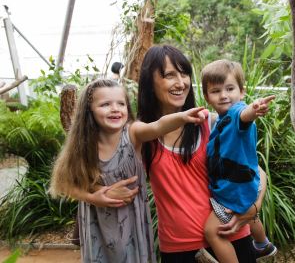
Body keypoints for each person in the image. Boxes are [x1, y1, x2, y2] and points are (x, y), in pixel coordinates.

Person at [49, 78, 206, 262]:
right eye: (105, 104)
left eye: (121, 104)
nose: (115, 108)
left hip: (131, 224)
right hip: (97, 225)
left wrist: (182, 117)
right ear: (89, 109)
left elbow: (157, 126)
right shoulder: (83, 144)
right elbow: (64, 184)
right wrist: (93, 197)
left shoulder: (132, 132)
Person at [137, 44, 266, 263]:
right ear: (150, 82)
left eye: (184, 73)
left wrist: (253, 208)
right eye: (170, 75)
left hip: (230, 236)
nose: (181, 83)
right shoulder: (142, 135)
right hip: (180, 248)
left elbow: (257, 171)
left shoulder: (212, 122)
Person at [201, 59, 277, 262]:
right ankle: (262, 245)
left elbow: (244, 116)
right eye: (216, 91)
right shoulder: (219, 121)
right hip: (245, 182)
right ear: (207, 97)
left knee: (213, 232)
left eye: (230, 88)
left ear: (242, 92)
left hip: (236, 190)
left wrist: (255, 109)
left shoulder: (236, 113)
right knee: (250, 217)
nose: (224, 95)